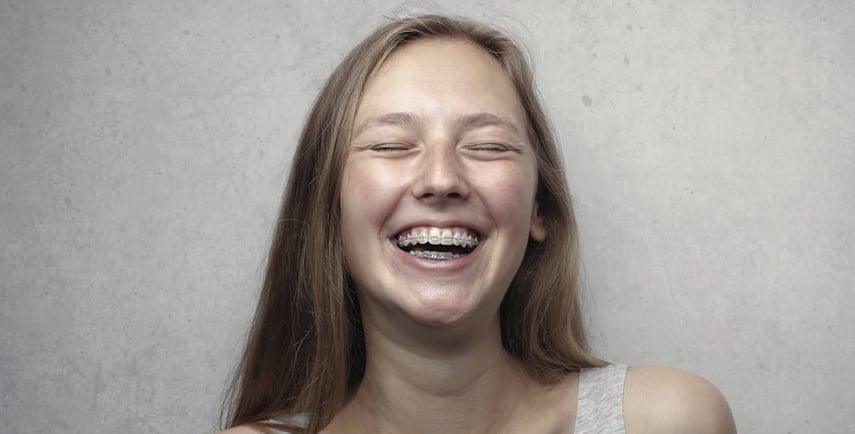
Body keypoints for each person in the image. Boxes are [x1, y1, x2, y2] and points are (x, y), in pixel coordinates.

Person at [221, 14, 735, 434]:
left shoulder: (669, 421)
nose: (441, 178)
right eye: (392, 146)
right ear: (328, 209)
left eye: (488, 147)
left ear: (540, 210)